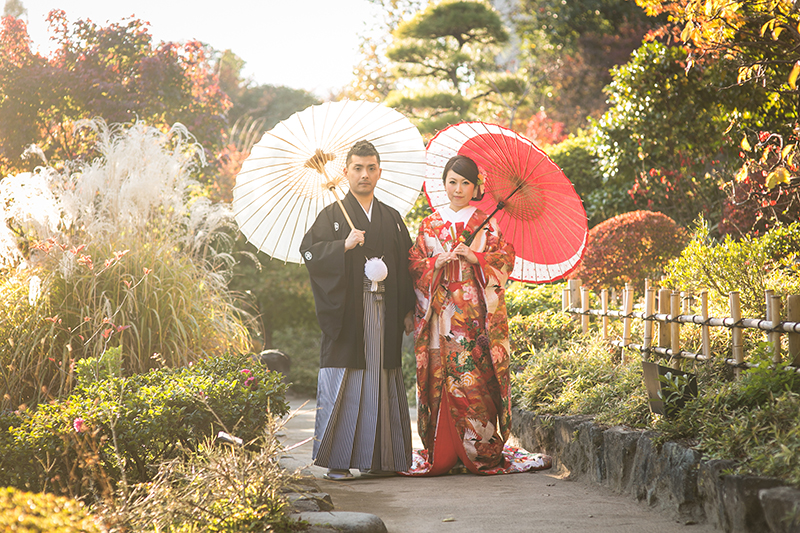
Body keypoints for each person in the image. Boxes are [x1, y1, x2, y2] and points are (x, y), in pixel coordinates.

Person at [406, 154, 551, 476]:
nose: (458, 189)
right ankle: (440, 450)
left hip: (473, 317)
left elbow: (504, 261)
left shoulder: (488, 222)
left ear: (475, 188)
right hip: (440, 312)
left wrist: (476, 257)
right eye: (452, 181)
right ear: (443, 183)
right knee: (440, 378)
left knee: (475, 379)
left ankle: (479, 450)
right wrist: (434, 264)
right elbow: (413, 264)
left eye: (465, 183)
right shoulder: (430, 223)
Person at [300, 139, 415, 480]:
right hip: (349, 311)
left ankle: (381, 459)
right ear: (346, 172)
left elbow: (409, 265)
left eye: (371, 168)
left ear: (379, 171)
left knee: (382, 377)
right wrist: (342, 245)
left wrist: (408, 308)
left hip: (385, 311)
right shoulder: (332, 215)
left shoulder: (392, 218)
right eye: (357, 168)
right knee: (346, 378)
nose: (364, 175)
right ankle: (338, 460)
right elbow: (309, 252)